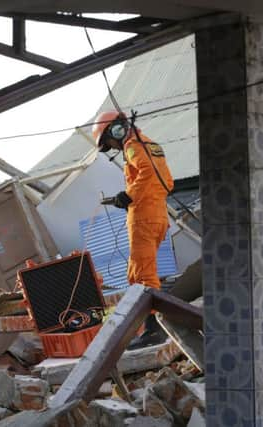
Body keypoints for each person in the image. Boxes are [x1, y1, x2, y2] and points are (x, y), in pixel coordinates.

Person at [92, 110, 174, 348]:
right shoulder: (150, 144)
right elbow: (166, 182)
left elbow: (148, 174)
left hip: (144, 218)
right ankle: (146, 327)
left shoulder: (133, 147)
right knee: (136, 274)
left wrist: (128, 195)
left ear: (116, 130)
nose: (113, 146)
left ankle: (153, 330)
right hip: (157, 216)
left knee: (144, 275)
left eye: (110, 142)